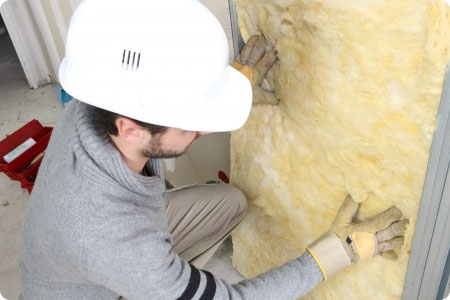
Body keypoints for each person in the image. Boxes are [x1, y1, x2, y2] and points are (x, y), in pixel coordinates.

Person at [18, 0, 407, 299]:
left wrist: (228, 87)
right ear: (132, 130)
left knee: (230, 203)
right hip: (102, 280)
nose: (205, 129)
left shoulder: (98, 99)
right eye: (192, 124)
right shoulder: (110, 239)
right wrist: (338, 253)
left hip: (106, 247)